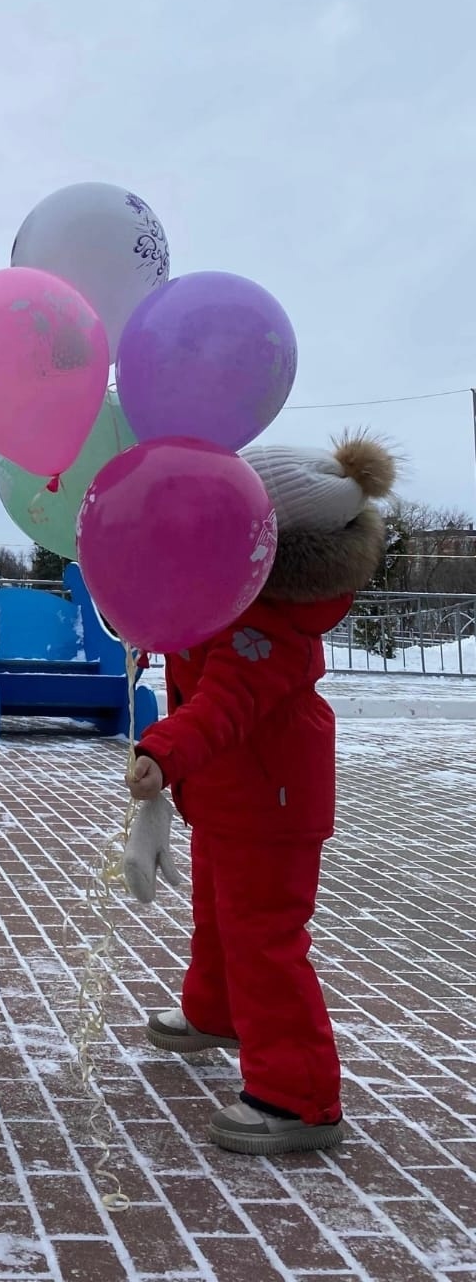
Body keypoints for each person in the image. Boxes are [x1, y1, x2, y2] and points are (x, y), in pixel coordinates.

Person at [126, 434, 396, 1154]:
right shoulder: (234, 598)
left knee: (265, 941)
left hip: (270, 808)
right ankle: (215, 1014)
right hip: (229, 798)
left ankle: (299, 1097)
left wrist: (162, 752)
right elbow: (196, 649)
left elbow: (225, 703)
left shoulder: (269, 624)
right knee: (217, 918)